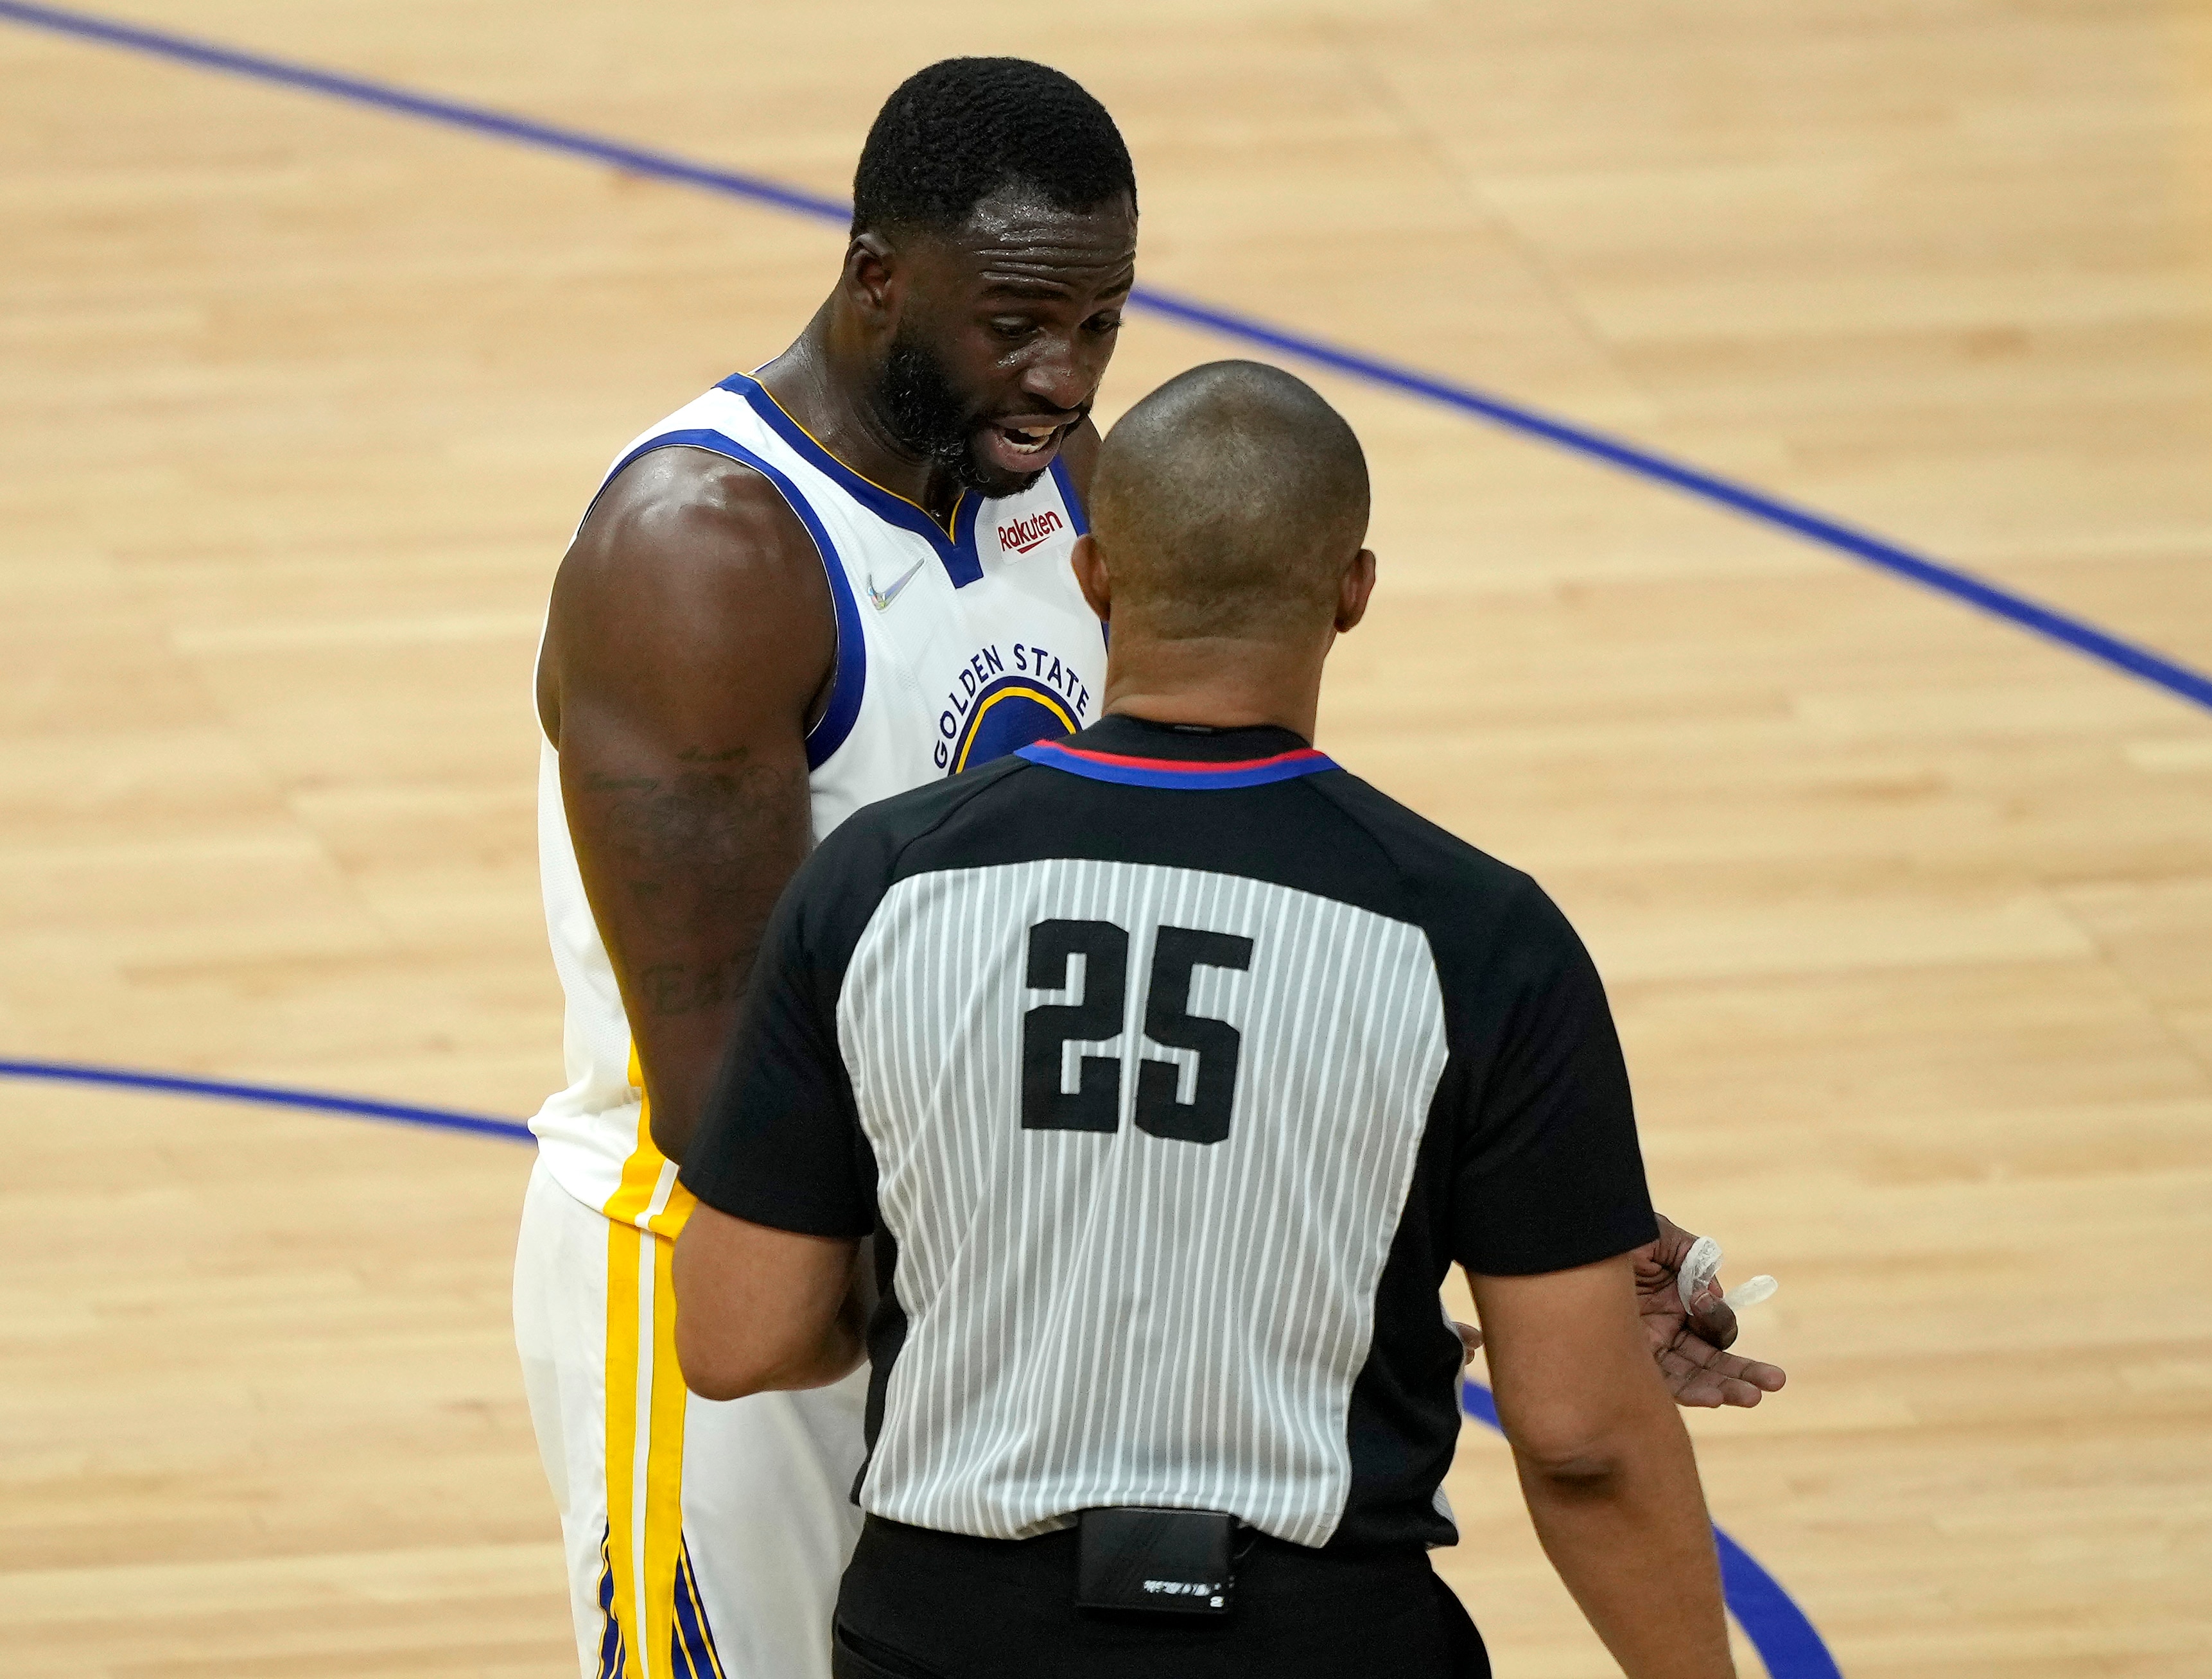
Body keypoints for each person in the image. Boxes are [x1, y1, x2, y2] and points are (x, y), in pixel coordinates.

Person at [672, 361, 1746, 1679]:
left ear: (1093, 576)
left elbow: (738, 1336)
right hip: (1320, 1637)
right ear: (1352, 591)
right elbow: (1581, 1439)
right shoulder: (1479, 936)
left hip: (950, 1633)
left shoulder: (875, 885)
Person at [515, 58, 1135, 1679]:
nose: (1063, 377)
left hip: (968, 1265)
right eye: (1015, 324)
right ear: (877, 277)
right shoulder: (704, 553)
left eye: (1100, 324)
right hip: (731, 1286)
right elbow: (731, 1109)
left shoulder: (1055, 487)